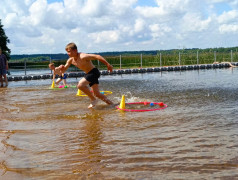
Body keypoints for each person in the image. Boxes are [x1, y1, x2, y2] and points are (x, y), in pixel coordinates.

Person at [60, 42, 114, 108]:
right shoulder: (70, 60)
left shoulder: (83, 56)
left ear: (75, 50)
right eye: (67, 52)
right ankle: (112, 104)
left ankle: (93, 99)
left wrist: (108, 65)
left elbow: (97, 56)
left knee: (80, 85)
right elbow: (64, 69)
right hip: (89, 74)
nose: (68, 54)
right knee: (97, 94)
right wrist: (62, 68)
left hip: (94, 72)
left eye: (69, 52)